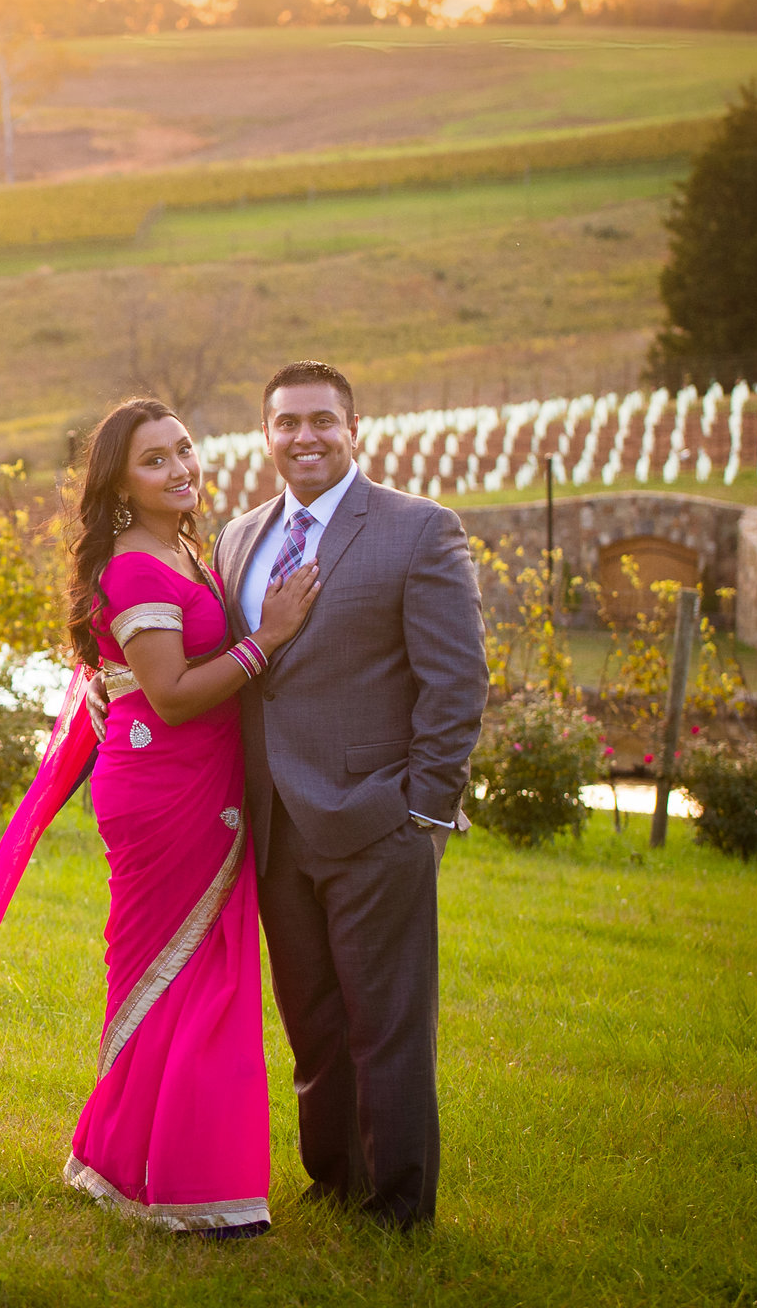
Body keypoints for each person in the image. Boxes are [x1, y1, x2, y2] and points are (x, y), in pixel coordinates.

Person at [0, 398, 320, 1237]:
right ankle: (180, 1185)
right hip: (169, 793)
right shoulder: (137, 567)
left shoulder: (180, 547)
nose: (180, 468)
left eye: (184, 450)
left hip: (198, 783)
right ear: (119, 484)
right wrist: (269, 639)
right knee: (181, 978)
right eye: (155, 460)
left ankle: (129, 1161)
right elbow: (172, 698)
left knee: (200, 976)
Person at [212, 360, 486, 1232]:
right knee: (314, 1024)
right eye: (287, 422)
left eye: (322, 421)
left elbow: (458, 683)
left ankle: (399, 1205)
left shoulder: (417, 530)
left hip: (378, 820)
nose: (305, 437)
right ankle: (333, 1180)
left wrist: (425, 812)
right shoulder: (238, 538)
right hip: (276, 828)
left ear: (355, 429)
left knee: (387, 1026)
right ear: (267, 435)